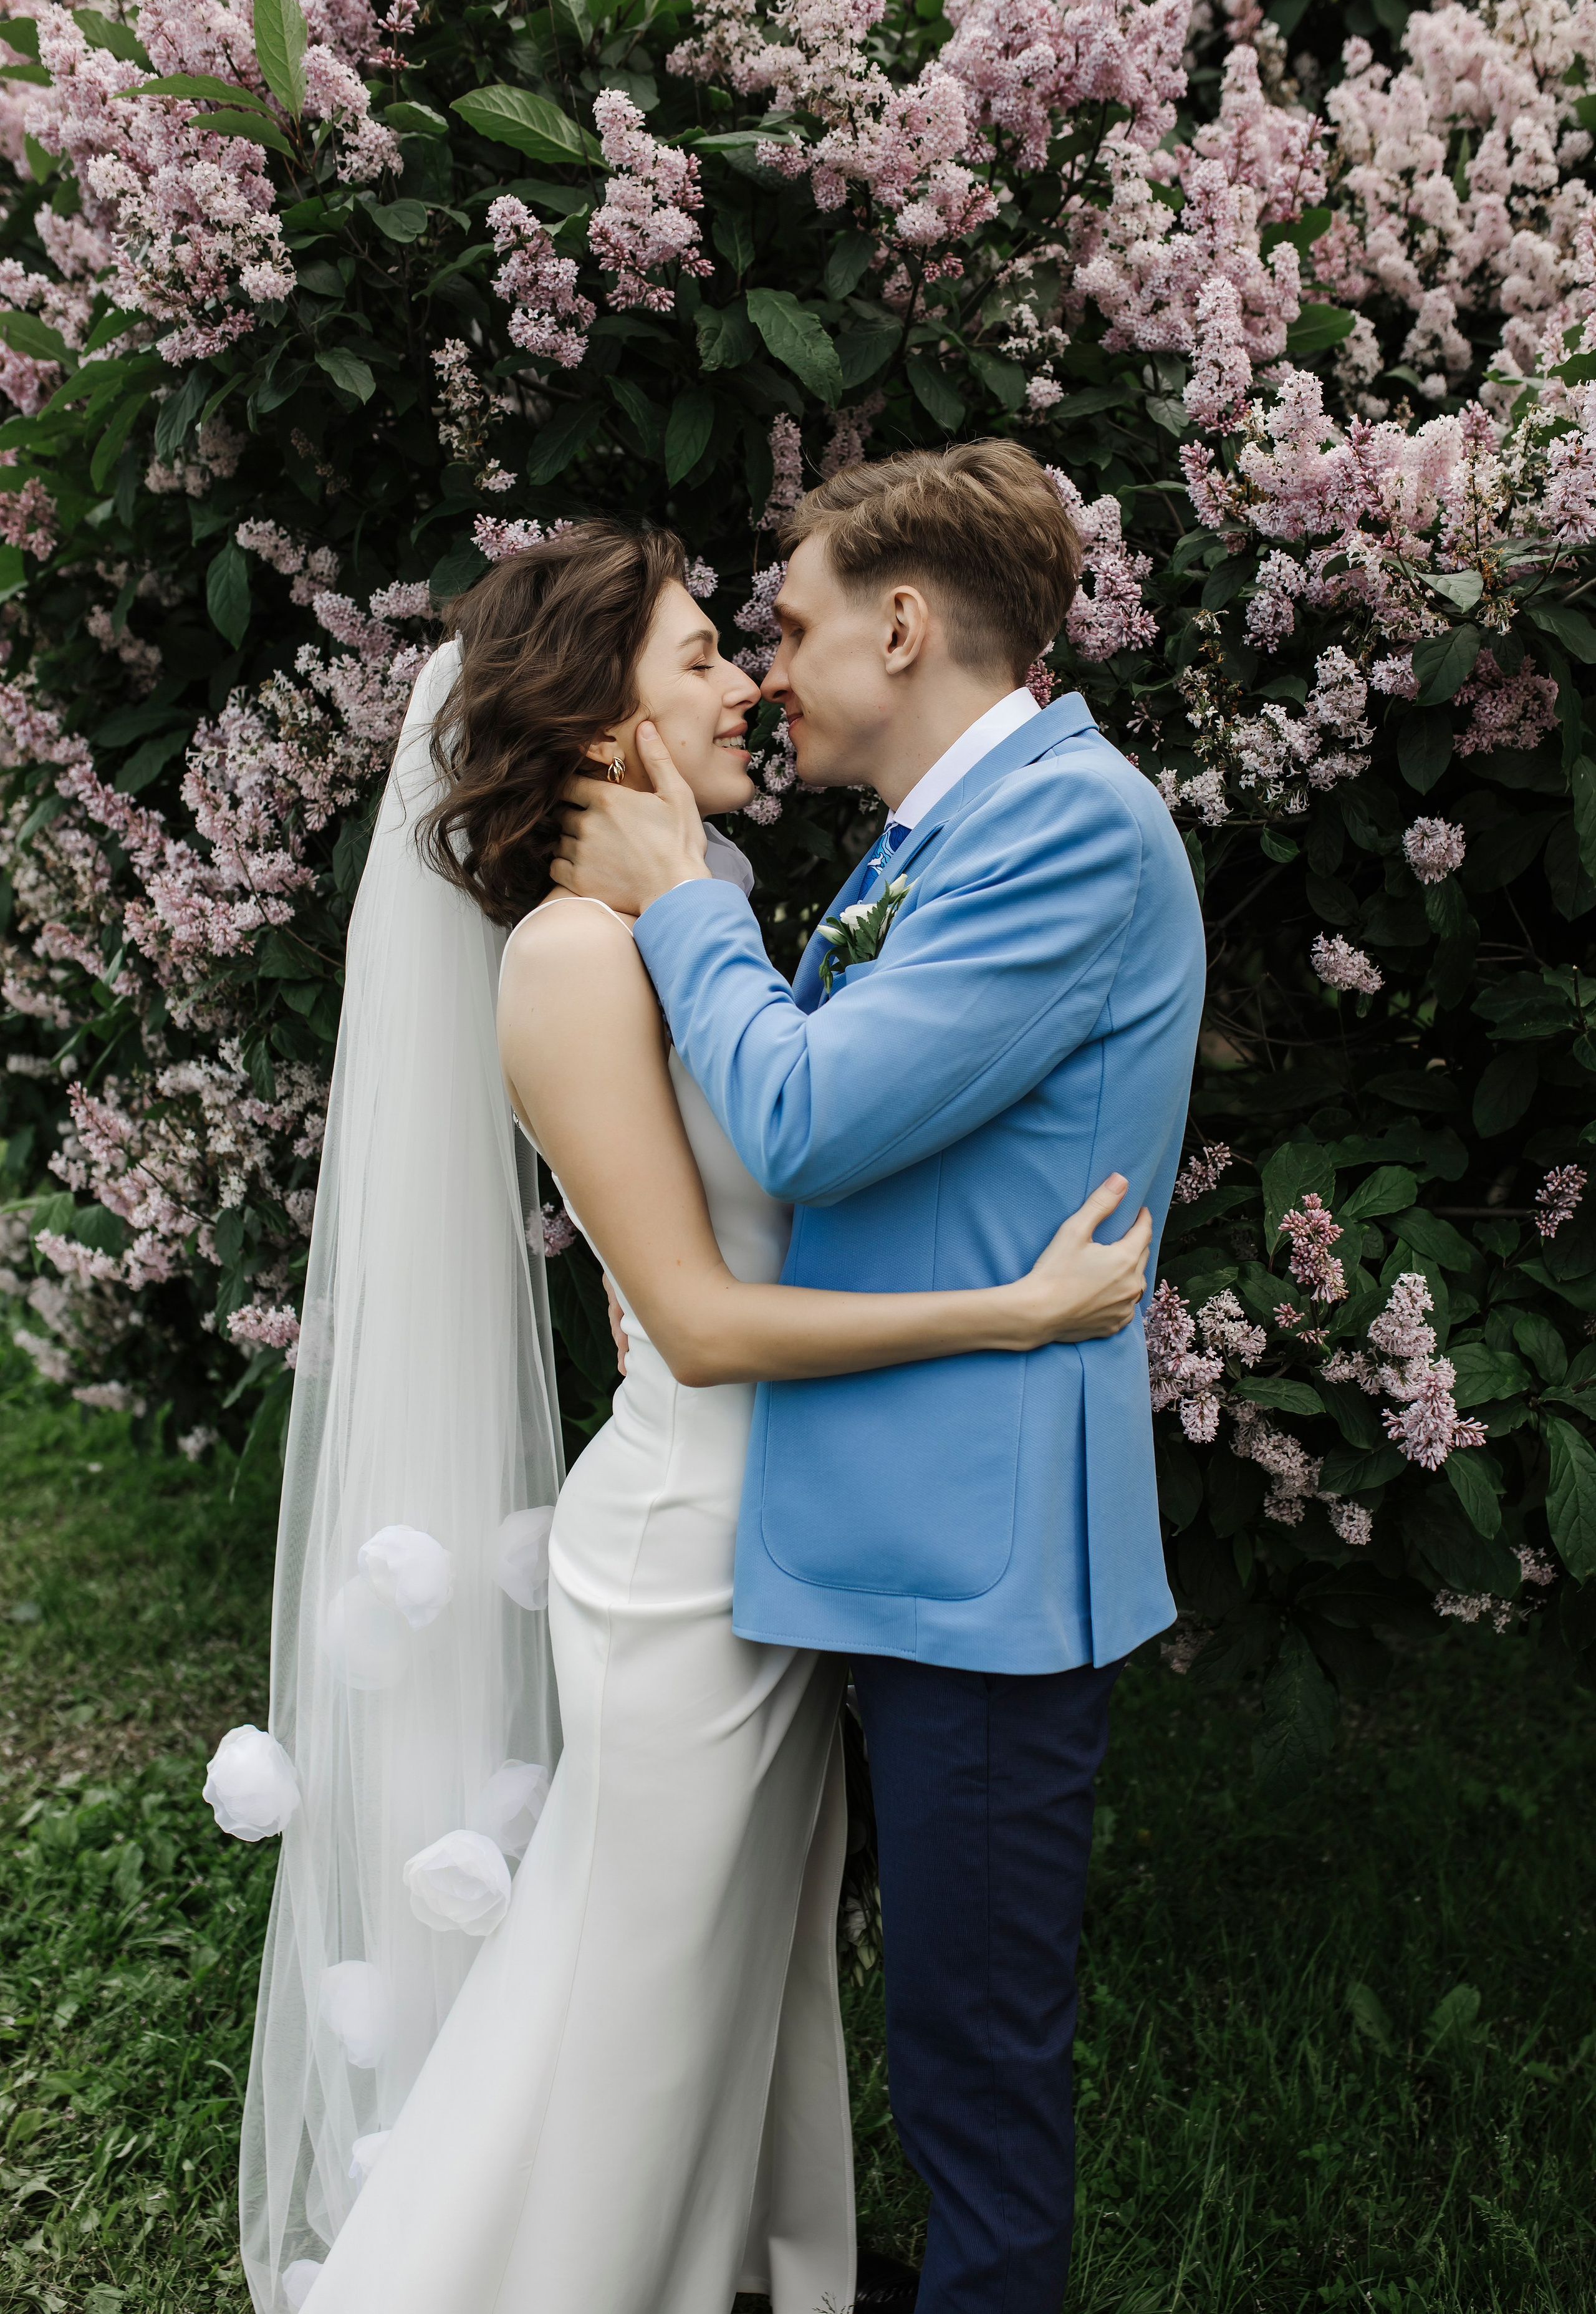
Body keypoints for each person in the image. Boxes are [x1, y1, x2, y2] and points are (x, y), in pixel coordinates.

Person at [228, 514, 1154, 2314]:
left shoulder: (679, 920)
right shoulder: (574, 958)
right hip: (680, 1551)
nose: (747, 685)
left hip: (769, 1532)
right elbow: (708, 1326)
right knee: (626, 2000)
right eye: (703, 658)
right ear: (605, 726)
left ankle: (734, 2270)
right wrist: (1014, 1311)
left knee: (737, 1976)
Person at [555, 441, 1208, 2314]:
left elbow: (814, 1119)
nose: (769, 673)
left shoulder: (1072, 829)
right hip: (868, 1517)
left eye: (790, 625)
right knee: (898, 2023)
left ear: (903, 627)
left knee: (974, 2057)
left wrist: (681, 888)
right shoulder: (939, 837)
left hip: (976, 1555)